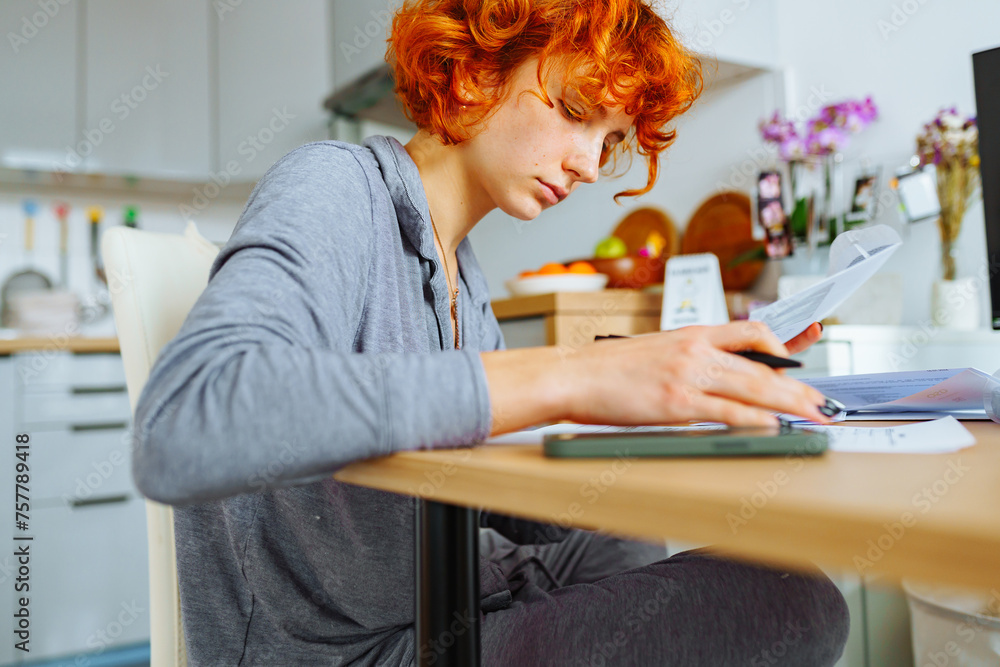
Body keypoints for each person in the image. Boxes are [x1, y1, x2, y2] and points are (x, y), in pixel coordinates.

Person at [132, 0, 849, 664]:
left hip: (438, 589)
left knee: (621, 536)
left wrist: (665, 415)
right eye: (575, 111)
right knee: (797, 600)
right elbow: (185, 419)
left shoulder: (462, 272)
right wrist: (572, 375)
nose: (590, 166)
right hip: (344, 645)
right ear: (477, 69)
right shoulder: (334, 185)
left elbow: (500, 502)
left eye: (611, 143)